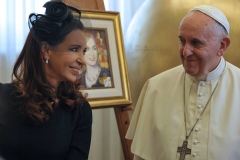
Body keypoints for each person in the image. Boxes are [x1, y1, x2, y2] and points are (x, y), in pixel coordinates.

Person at [126, 5, 240, 160]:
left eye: (196, 43)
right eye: (182, 41)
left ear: (222, 46)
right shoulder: (156, 88)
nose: (185, 51)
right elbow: (142, 156)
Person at [0, 1, 92, 160]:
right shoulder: (2, 97)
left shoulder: (79, 110)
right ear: (46, 49)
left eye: (83, 51)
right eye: (74, 49)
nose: (82, 60)